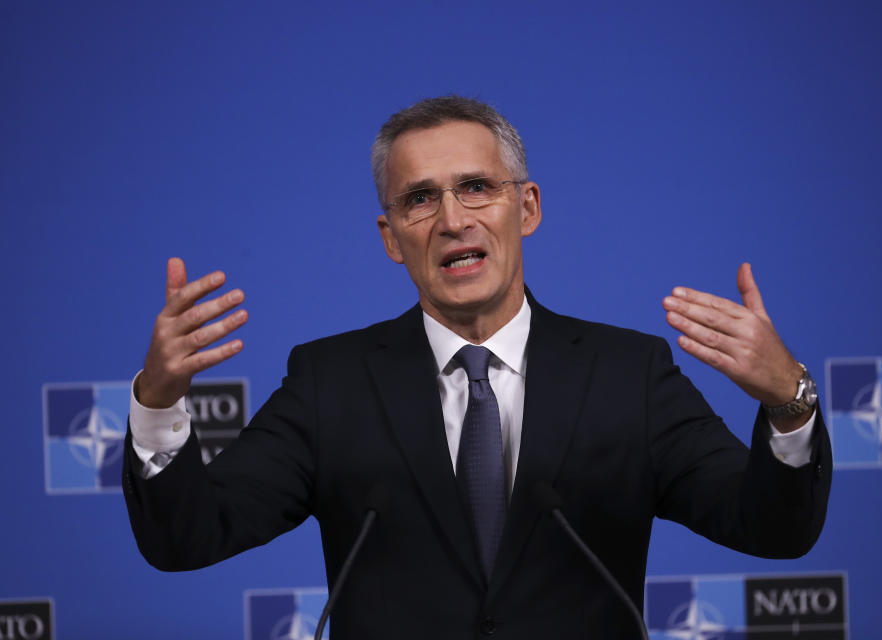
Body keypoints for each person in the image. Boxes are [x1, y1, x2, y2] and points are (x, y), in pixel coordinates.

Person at [123, 96, 831, 639]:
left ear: (526, 207)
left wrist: (789, 406)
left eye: (476, 188)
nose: (453, 220)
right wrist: (157, 404)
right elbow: (188, 537)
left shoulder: (629, 375)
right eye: (420, 199)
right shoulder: (329, 384)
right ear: (392, 237)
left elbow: (771, 529)